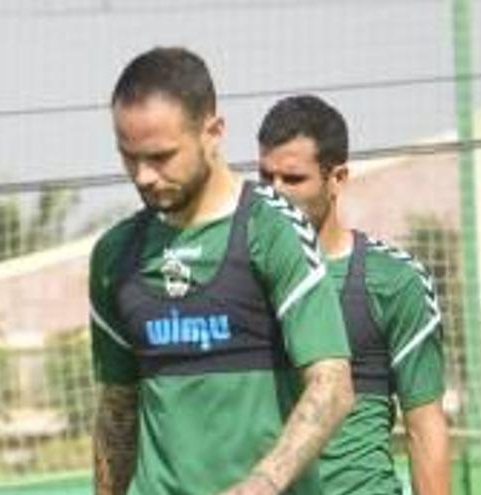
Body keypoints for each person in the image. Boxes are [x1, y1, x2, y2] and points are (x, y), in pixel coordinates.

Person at [90, 46, 354, 495]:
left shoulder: (273, 229)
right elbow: (117, 407)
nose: (144, 176)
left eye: (161, 156)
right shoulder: (115, 255)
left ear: (212, 132)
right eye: (129, 157)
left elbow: (333, 385)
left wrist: (263, 483)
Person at [257, 94, 450, 495]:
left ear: (337, 179)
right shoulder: (243, 279)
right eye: (265, 178)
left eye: (292, 179)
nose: (275, 193)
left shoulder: (395, 281)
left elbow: (424, 426)